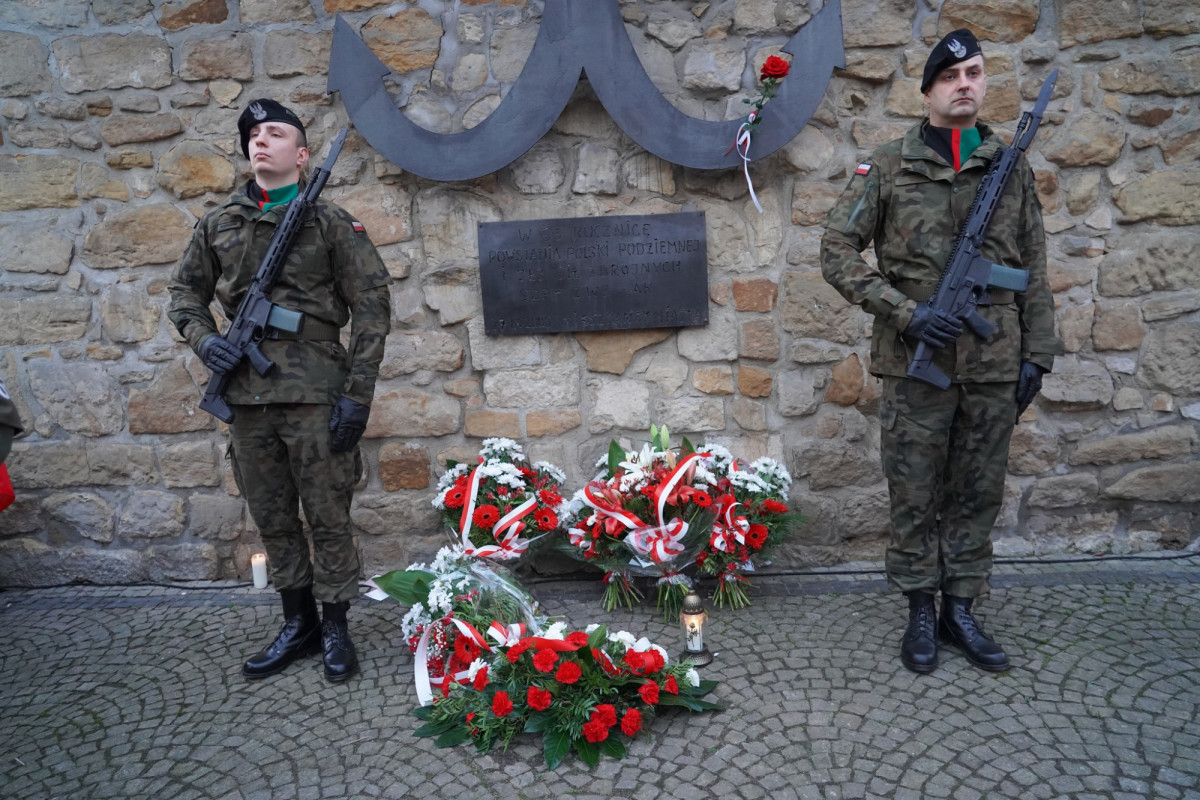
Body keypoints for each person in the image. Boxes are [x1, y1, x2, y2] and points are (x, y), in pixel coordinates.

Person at [820, 30, 1062, 674]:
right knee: (915, 489)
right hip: (915, 361)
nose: (965, 84)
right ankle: (920, 609)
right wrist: (906, 312)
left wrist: (1039, 351)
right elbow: (835, 252)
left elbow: (1032, 264)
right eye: (951, 75)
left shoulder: (1009, 165)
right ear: (928, 89)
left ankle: (962, 607)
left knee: (977, 489)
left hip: (993, 361)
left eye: (975, 73)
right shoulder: (890, 164)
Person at [168, 99, 392, 682]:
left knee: (327, 513)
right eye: (252, 134)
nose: (260, 141)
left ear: (302, 153)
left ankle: (336, 622)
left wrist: (358, 395)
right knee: (273, 517)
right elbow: (184, 295)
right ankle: (299, 623)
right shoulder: (218, 223)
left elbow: (372, 308)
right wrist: (205, 341)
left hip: (317, 392)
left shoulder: (331, 221)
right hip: (245, 397)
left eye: (275, 133)